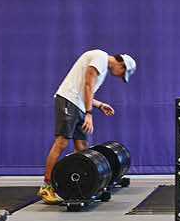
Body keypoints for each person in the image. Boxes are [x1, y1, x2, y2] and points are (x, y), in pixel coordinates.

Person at [40, 50, 136, 203]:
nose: (119, 76)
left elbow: (86, 92)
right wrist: (89, 113)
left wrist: (100, 105)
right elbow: (87, 85)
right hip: (68, 100)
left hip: (78, 104)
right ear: (122, 65)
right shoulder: (100, 57)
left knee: (82, 146)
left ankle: (78, 186)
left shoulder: (103, 67)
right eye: (122, 74)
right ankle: (47, 187)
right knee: (61, 142)